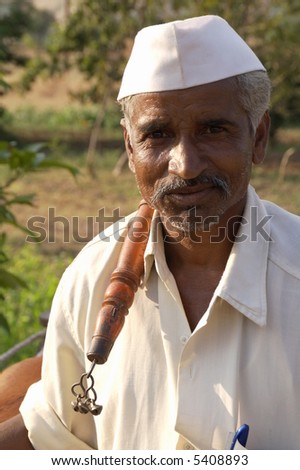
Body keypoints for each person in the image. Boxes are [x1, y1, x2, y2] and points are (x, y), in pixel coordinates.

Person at [1, 14, 300, 450]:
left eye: (213, 129)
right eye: (157, 134)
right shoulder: (90, 276)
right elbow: (55, 435)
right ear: (129, 147)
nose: (185, 165)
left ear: (258, 137)